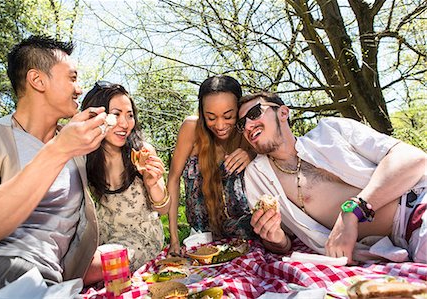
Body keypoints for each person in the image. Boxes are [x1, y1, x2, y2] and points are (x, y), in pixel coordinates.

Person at [0, 35, 109, 297]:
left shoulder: (77, 149)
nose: (79, 89)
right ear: (38, 80)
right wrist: (59, 151)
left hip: (54, 285)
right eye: (72, 78)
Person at [239, 91, 427, 264]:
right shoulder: (258, 177)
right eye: (241, 124)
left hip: (416, 207)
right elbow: (284, 244)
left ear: (283, 113)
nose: (247, 125)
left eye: (255, 113)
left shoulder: (332, 130)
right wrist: (276, 238)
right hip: (387, 249)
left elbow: (413, 158)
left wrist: (353, 211)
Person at [80, 81, 169, 273]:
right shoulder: (85, 158)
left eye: (130, 115)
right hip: (103, 241)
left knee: (86, 270)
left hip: (140, 240)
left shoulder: (141, 152)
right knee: (69, 265)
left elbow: (164, 209)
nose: (125, 123)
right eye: (116, 114)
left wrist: (152, 184)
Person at [167, 75, 256, 256]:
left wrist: (252, 154)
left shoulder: (249, 130)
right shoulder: (191, 129)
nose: (220, 125)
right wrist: (174, 240)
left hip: (248, 239)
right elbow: (173, 180)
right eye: (211, 117)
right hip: (201, 238)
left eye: (228, 116)